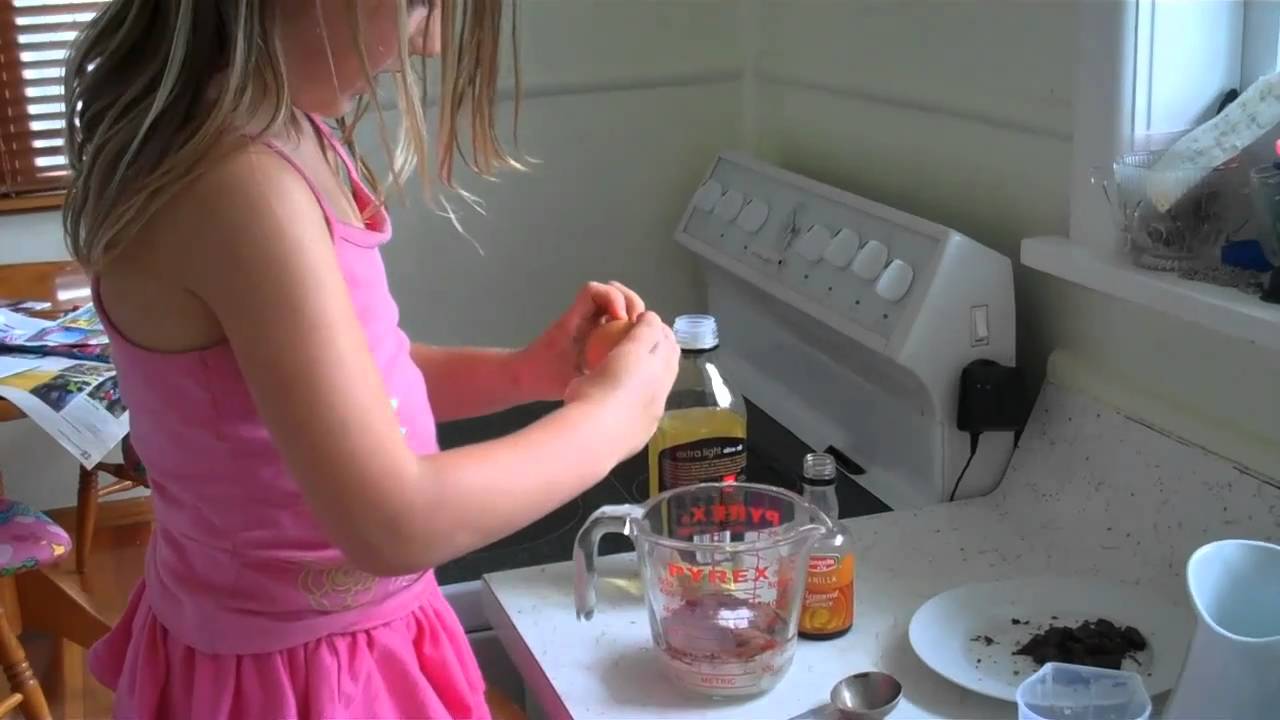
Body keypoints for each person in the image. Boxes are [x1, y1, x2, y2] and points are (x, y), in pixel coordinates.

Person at [62, 1, 680, 718]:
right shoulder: (237, 181)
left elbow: (361, 377)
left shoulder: (287, 137)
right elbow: (391, 524)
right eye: (423, 2)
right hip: (289, 679)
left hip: (347, 640)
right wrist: (615, 419)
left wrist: (526, 373)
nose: (435, 40)